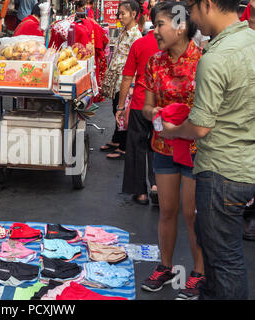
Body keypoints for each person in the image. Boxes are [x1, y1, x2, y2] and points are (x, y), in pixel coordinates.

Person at [161, 0, 255, 300]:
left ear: (208, 4)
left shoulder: (214, 58)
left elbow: (200, 127)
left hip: (220, 171)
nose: (190, 17)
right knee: (222, 254)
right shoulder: (250, 41)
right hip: (244, 166)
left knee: (224, 259)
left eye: (192, 8)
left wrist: (174, 131)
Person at [140, 1, 206, 300]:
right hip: (164, 145)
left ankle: (199, 272)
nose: (155, 31)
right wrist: (158, 115)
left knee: (192, 214)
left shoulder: (204, 60)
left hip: (196, 148)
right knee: (167, 210)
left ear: (181, 26)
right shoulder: (154, 61)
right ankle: (165, 267)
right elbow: (146, 107)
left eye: (160, 24)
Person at [117, 5, 160, 205]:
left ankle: (140, 193)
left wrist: (120, 106)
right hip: (164, 105)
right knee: (159, 145)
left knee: (136, 145)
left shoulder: (140, 43)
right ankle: (157, 185)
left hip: (140, 103)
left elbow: (127, 78)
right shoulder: (175, 43)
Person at [100, 0, 142, 160]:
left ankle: (124, 147)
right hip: (117, 79)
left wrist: (132, 84)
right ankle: (117, 140)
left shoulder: (136, 35)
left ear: (133, 14)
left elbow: (136, 62)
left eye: (123, 13)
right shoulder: (124, 31)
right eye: (119, 13)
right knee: (115, 110)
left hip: (125, 81)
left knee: (122, 112)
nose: (119, 16)